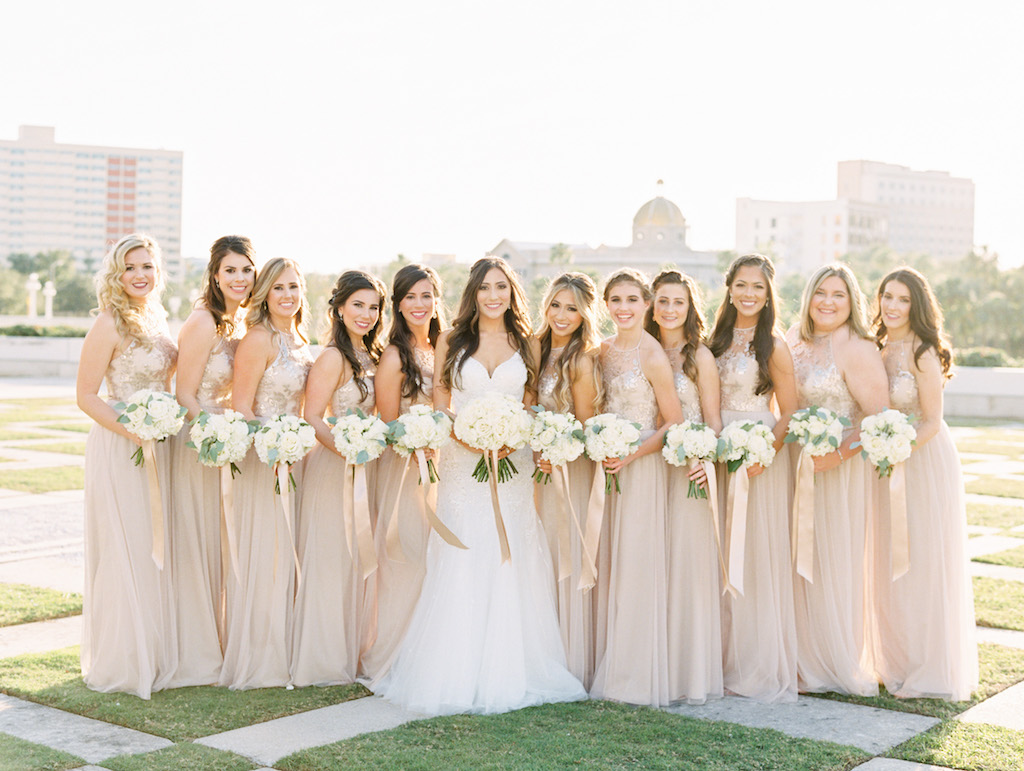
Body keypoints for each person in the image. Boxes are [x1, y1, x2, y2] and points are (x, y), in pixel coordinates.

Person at [375, 256, 586, 715]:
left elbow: (529, 403)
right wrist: (466, 434)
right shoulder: (452, 338)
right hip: (460, 459)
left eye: (502, 288)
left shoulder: (528, 343)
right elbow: (442, 401)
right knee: (463, 549)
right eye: (486, 288)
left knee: (511, 550)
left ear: (513, 294)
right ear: (474, 293)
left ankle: (515, 666)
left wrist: (513, 437)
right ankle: (452, 666)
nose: (494, 296)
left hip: (514, 460)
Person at [868, 267, 978, 700]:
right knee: (886, 558)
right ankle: (892, 658)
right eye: (887, 297)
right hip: (883, 460)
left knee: (921, 558)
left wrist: (900, 449)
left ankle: (928, 666)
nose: (892, 306)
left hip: (921, 458)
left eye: (902, 300)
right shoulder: (876, 346)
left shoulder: (923, 352)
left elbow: (933, 420)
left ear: (917, 306)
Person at [76, 233, 177, 699]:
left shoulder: (158, 319)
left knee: (156, 545)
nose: (140, 275)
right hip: (122, 445)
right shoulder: (109, 323)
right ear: (117, 275)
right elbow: (86, 396)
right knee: (129, 544)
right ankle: (123, 657)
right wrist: (134, 429)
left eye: (148, 267)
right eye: (131, 267)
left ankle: (155, 651)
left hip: (161, 442)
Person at [786, 263, 888, 696]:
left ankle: (831, 659)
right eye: (820, 293)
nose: (828, 302)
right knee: (793, 563)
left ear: (852, 302)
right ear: (809, 297)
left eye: (838, 295)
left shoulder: (858, 348)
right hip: (794, 462)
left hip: (838, 469)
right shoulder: (794, 338)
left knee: (832, 561)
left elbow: (879, 419)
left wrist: (838, 455)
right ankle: (796, 655)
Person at [589, 268, 683, 707]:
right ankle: (604, 660)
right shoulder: (600, 351)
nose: (623, 308)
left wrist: (630, 455)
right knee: (609, 562)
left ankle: (635, 674)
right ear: (606, 305)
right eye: (616, 300)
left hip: (641, 469)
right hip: (604, 469)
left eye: (632, 300)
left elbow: (673, 422)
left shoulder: (652, 355)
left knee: (637, 564)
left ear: (646, 304)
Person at [220, 258, 313, 690]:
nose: (287, 296)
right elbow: (241, 407)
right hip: (264, 460)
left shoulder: (298, 338)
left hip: (295, 459)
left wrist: (296, 443)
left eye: (293, 287)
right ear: (264, 294)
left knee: (287, 552)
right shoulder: (257, 339)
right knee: (265, 554)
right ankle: (260, 656)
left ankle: (287, 646)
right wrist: (275, 441)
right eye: (278, 288)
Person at [708, 253, 798, 702]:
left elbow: (790, 412)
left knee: (754, 557)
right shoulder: (714, 338)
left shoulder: (774, 344)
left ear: (768, 294)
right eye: (742, 285)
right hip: (716, 454)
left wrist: (766, 453)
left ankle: (755, 663)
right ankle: (719, 657)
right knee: (718, 553)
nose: (748, 293)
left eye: (757, 287)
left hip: (755, 457)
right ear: (729, 288)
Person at [291, 270, 385, 686]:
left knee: (357, 560)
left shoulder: (373, 355)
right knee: (331, 558)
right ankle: (323, 658)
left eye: (374, 307)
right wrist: (347, 451)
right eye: (358, 305)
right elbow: (312, 416)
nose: (366, 314)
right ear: (340, 308)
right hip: (335, 466)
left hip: (367, 465)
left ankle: (354, 650)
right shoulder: (332, 356)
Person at [169, 235, 255, 687]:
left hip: (229, 440)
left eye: (246, 270)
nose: (239, 278)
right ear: (215, 275)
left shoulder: (239, 323)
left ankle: (221, 641)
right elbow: (184, 393)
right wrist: (216, 432)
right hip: (200, 439)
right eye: (231, 271)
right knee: (198, 542)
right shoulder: (203, 322)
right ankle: (195, 651)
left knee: (224, 543)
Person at [360, 264, 446, 682]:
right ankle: (393, 657)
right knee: (404, 560)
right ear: (397, 304)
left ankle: (428, 651)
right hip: (404, 469)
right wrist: (416, 442)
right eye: (410, 296)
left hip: (442, 465)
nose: (419, 304)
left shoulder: (443, 347)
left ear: (437, 299)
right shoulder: (394, 355)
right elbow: (389, 422)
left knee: (435, 561)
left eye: (426, 295)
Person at [647, 269, 723, 705]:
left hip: (689, 471)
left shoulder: (701, 357)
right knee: (653, 564)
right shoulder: (642, 349)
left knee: (687, 566)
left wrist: (703, 456)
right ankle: (653, 659)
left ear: (689, 307)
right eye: (662, 301)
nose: (669, 309)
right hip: (648, 469)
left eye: (678, 302)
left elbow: (712, 420)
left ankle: (686, 673)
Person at [533, 272, 603, 689]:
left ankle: (568, 653)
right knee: (536, 552)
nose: (562, 315)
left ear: (584, 314)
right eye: (556, 305)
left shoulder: (582, 360)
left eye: (572, 308)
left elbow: (584, 425)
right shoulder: (534, 347)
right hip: (532, 468)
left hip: (565, 469)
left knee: (563, 552)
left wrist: (555, 447)